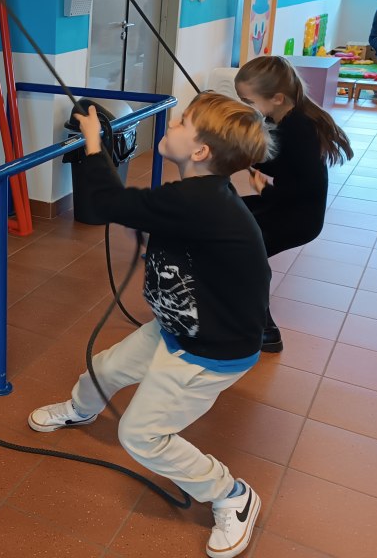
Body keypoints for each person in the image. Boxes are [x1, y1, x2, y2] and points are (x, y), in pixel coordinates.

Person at [29, 93, 272, 558]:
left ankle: (231, 495)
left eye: (182, 122)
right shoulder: (200, 195)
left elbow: (106, 202)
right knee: (105, 368)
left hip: (209, 352)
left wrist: (94, 142)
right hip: (177, 328)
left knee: (140, 436)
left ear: (200, 151)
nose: (172, 123)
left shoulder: (199, 202)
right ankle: (81, 408)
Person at [234, 56, 355, 353]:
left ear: (277, 98)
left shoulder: (299, 128)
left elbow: (304, 188)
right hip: (285, 205)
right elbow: (279, 162)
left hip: (298, 218)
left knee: (245, 254)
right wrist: (251, 156)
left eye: (249, 101)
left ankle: (265, 330)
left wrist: (264, 190)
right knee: (230, 211)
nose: (248, 107)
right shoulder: (281, 118)